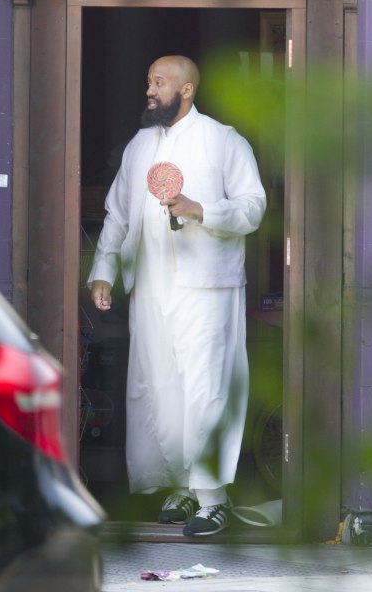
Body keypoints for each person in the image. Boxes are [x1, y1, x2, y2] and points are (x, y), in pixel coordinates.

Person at [87, 55, 266, 537]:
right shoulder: (140, 146)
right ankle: (181, 488)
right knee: (159, 388)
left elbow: (253, 208)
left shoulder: (223, 140)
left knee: (206, 388)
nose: (150, 90)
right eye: (148, 81)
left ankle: (213, 498)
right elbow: (117, 215)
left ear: (186, 90)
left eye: (159, 82)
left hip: (206, 286)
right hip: (151, 287)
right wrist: (103, 270)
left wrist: (200, 209)